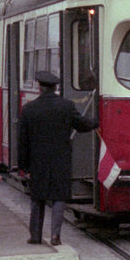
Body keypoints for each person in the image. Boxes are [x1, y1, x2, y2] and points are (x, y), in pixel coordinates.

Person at [16, 71, 96, 246]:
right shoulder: (66, 106)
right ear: (56, 87)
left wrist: (24, 166)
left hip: (37, 162)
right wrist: (96, 122)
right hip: (61, 161)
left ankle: (35, 236)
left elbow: (23, 141)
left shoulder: (29, 109)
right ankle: (55, 236)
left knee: (37, 199)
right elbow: (82, 125)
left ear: (39, 87)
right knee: (59, 198)